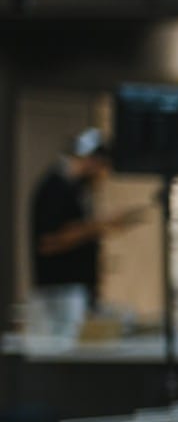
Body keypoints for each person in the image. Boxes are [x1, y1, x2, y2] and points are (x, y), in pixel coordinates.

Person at [30, 128, 140, 307]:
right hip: (60, 293)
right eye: (102, 166)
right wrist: (99, 226)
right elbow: (48, 241)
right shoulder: (55, 188)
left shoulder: (77, 189)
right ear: (91, 160)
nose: (101, 174)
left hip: (76, 291)